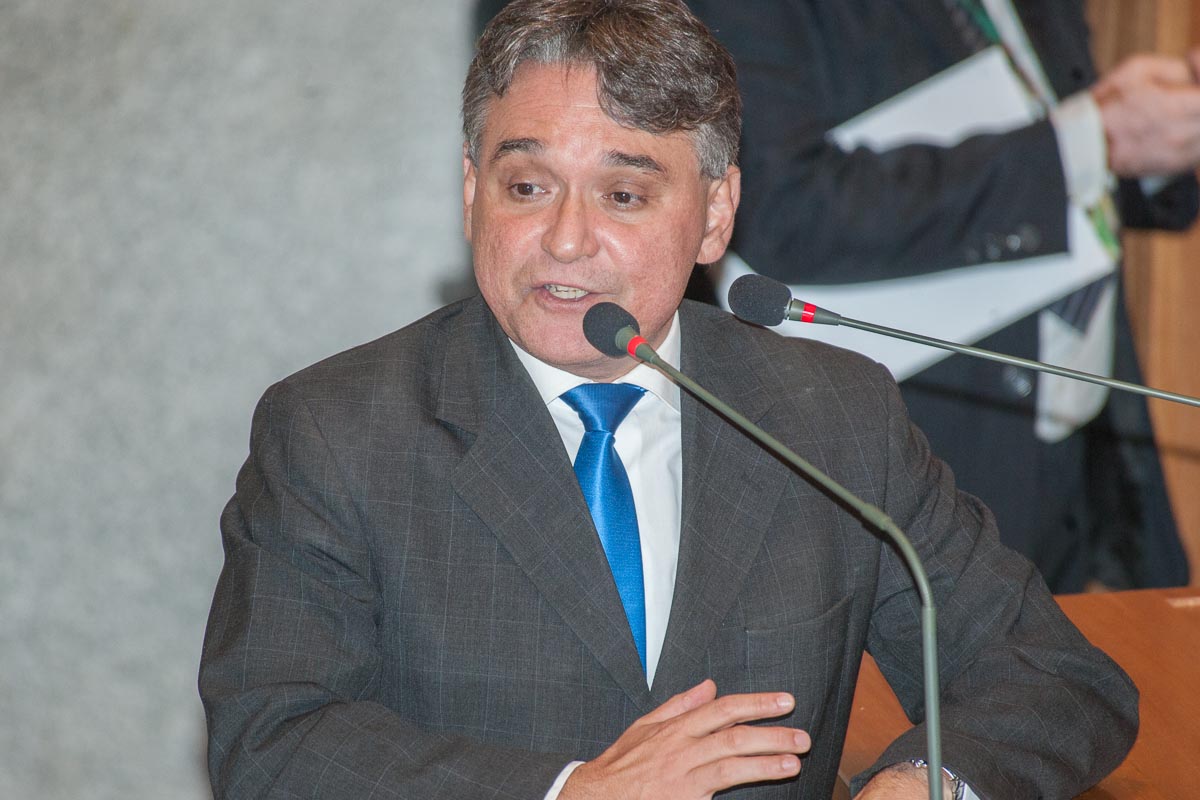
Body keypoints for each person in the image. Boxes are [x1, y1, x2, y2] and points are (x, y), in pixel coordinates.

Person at [199, 2, 1136, 798]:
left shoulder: (831, 416)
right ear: (472, 192)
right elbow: (273, 741)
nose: (566, 239)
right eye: (527, 185)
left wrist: (923, 783)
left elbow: (1053, 676)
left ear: (715, 215)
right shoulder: (336, 430)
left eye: (624, 194)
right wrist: (571, 792)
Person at [687, 0, 1200, 593]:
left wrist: (1155, 141)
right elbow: (778, 206)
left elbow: (1056, 135)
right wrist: (1083, 143)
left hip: (1079, 430)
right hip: (928, 441)